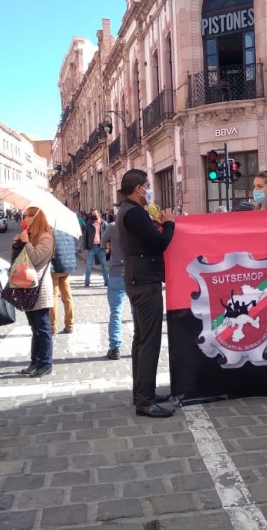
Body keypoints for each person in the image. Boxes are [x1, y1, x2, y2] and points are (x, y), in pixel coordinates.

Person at [115, 169, 176, 418]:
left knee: (141, 339)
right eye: (147, 185)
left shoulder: (127, 211)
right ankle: (145, 400)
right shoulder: (135, 213)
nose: (149, 190)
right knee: (149, 340)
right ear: (139, 188)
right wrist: (169, 223)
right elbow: (160, 243)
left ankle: (142, 392)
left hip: (136, 278)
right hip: (143, 281)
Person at [13, 206, 55, 377]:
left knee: (43, 327)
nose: (24, 219)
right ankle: (35, 361)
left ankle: (46, 363)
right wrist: (17, 244)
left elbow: (36, 258)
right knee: (34, 327)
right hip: (27, 284)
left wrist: (26, 242)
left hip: (40, 287)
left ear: (35, 217)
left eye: (27, 216)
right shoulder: (31, 236)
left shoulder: (46, 237)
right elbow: (18, 260)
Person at [102, 217, 127, 360]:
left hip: (116, 273)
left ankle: (115, 348)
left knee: (116, 312)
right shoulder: (135, 226)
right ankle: (140, 343)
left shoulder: (112, 227)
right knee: (136, 312)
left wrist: (109, 246)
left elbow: (103, 244)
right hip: (133, 272)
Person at [49, 228, 78, 334]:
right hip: (66, 267)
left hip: (55, 267)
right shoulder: (68, 231)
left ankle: (53, 326)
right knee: (67, 297)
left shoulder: (50, 231)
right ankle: (69, 325)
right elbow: (73, 248)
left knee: (53, 297)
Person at [82, 209, 109, 287]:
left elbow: (108, 237)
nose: (94, 218)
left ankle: (106, 281)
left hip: (101, 247)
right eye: (93, 216)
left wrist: (107, 247)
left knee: (104, 265)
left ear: (99, 216)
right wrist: (85, 248)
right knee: (88, 265)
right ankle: (87, 282)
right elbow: (85, 236)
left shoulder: (104, 224)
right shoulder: (89, 224)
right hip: (91, 247)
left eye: (96, 216)